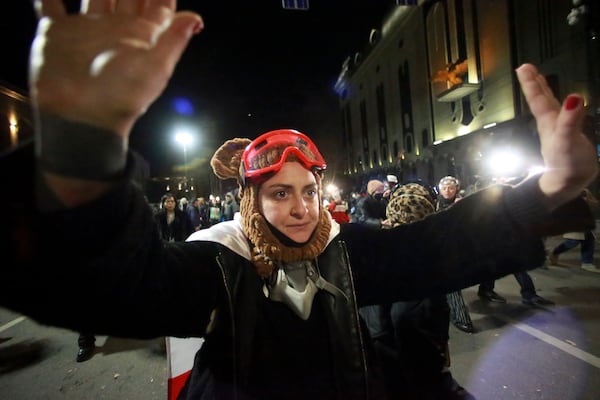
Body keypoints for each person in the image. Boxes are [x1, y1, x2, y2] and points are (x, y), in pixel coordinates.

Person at [2, 2, 597, 400]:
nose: (301, 208)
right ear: (250, 201)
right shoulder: (217, 263)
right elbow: (105, 287)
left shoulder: (348, 251)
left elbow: (442, 247)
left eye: (309, 191)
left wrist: (553, 187)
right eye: (279, 194)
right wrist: (81, 154)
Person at [435, 176, 476, 333]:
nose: (447, 190)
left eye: (451, 188)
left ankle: (486, 290)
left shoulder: (462, 204)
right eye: (444, 188)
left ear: (456, 189)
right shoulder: (433, 203)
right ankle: (459, 317)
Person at [548, 188, 600, 273]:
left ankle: (587, 263)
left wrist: (587, 194)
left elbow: (595, 203)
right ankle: (555, 252)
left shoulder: (584, 195)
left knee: (589, 241)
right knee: (573, 242)